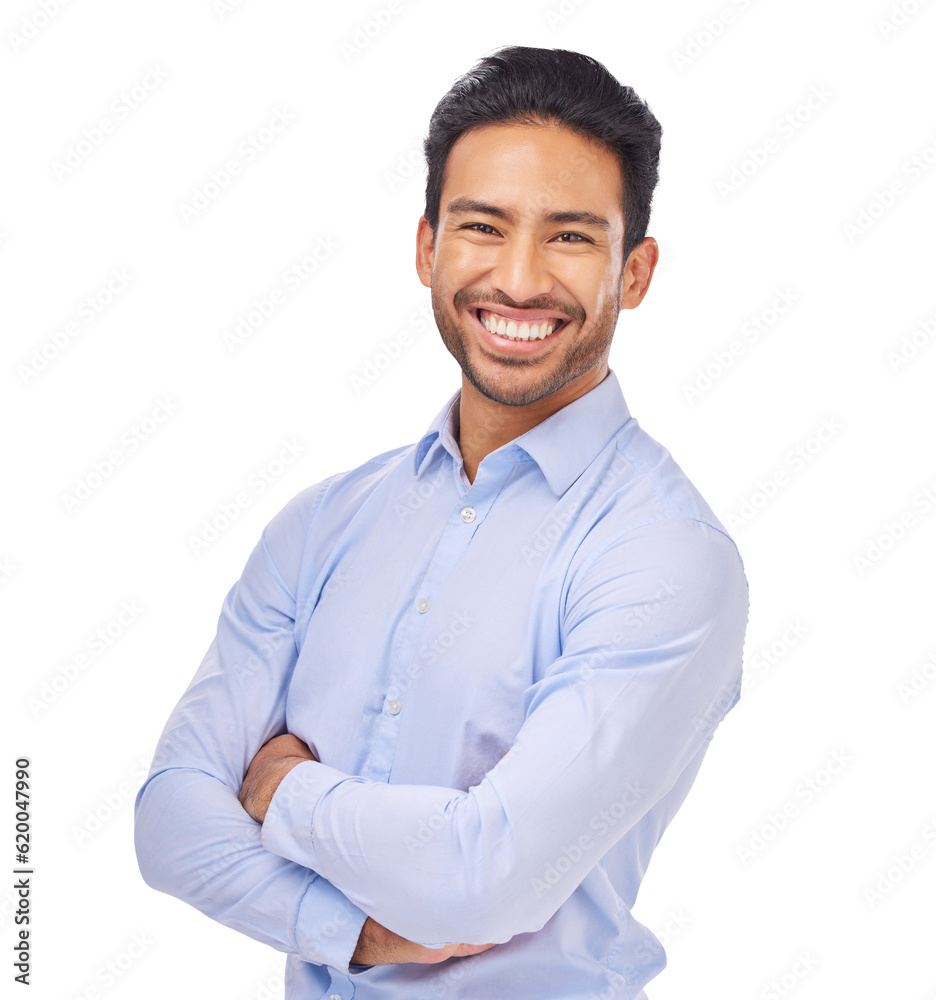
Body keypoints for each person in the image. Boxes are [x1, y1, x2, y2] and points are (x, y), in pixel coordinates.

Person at [135, 45, 749, 1000]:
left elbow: (484, 879)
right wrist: (355, 935)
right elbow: (169, 821)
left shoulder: (663, 556)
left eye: (572, 237)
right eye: (482, 226)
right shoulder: (324, 523)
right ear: (427, 247)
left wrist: (279, 790)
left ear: (636, 272)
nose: (517, 279)